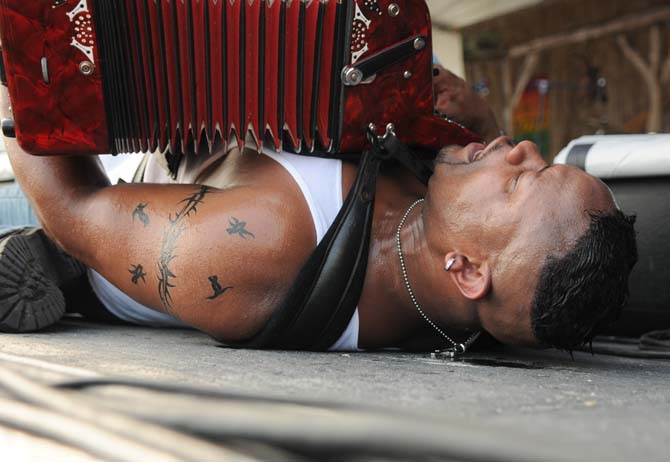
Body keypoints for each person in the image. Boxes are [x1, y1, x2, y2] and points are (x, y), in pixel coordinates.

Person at [0, 66, 637, 352]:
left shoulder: (254, 250)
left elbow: (74, 202)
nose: (523, 148)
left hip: (119, 197)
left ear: (467, 270)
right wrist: (477, 131)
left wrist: (20, 70)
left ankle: (54, 272)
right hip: (199, 137)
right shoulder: (451, 251)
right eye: (543, 158)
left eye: (523, 180)